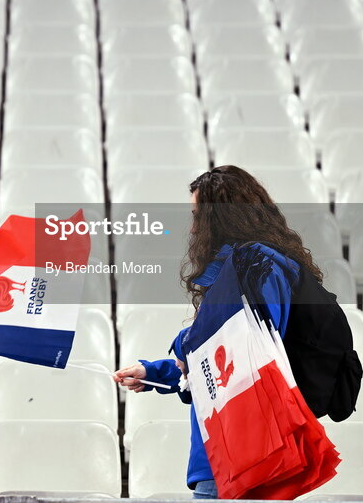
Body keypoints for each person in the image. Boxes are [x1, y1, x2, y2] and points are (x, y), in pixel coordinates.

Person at [114, 165, 322, 499]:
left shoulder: (256, 269)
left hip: (239, 454)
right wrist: (154, 372)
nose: (194, 229)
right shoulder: (252, 269)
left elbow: (242, 347)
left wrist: (185, 342)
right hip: (231, 453)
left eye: (199, 216)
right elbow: (216, 361)